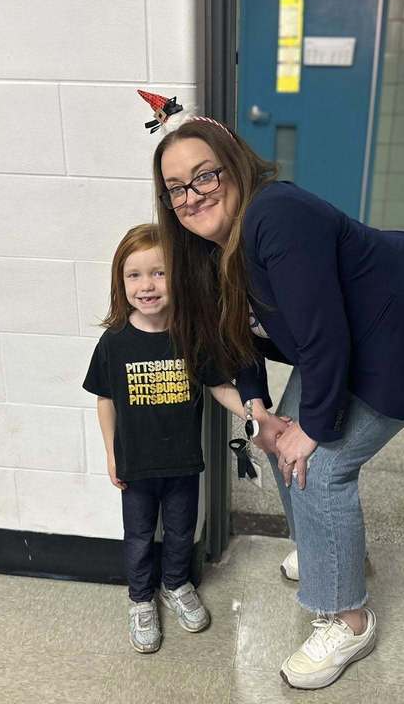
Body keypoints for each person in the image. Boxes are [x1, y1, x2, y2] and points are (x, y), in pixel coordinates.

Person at [152, 119, 404, 689]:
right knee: (282, 441)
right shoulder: (206, 248)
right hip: (347, 338)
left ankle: (350, 621)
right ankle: (329, 553)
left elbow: (326, 336)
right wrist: (257, 410)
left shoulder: (276, 215)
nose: (192, 196)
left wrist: (315, 429)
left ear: (235, 166)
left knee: (321, 466)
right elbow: (233, 336)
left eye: (204, 176)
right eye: (176, 188)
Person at [83, 223, 246, 654]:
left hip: (183, 464)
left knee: (180, 532)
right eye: (134, 275)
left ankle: (176, 585)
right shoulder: (114, 342)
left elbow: (218, 385)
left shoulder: (191, 337)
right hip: (135, 466)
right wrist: (111, 454)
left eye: (158, 273)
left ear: (177, 277)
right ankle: (140, 599)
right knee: (138, 536)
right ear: (121, 283)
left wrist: (253, 414)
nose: (147, 285)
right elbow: (105, 399)